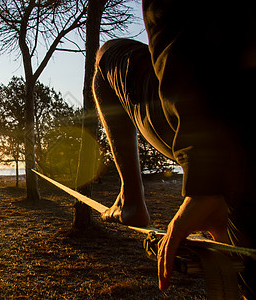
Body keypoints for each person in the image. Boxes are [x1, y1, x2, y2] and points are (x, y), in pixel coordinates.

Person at [93, 0, 256, 295]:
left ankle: (131, 199)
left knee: (107, 54)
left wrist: (205, 184)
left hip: (224, 118)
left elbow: (179, 30)